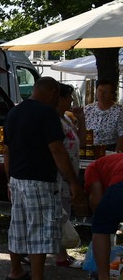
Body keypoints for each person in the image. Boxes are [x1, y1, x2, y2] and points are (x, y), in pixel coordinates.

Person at [4, 77, 85, 280]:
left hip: (17, 178)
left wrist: (9, 179)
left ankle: (16, 270)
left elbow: (7, 150)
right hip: (40, 178)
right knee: (40, 228)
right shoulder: (47, 113)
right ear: (51, 92)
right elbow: (57, 150)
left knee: (18, 225)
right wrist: (73, 182)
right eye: (57, 95)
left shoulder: (14, 112)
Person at [82, 151, 123, 280]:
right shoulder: (115, 160)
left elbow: (96, 200)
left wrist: (101, 217)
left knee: (101, 229)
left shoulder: (92, 168)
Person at [54, 83, 80, 267]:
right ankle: (60, 255)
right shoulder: (53, 120)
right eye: (69, 96)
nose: (72, 100)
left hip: (70, 172)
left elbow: (82, 140)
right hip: (59, 175)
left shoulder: (66, 119)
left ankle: (61, 253)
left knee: (65, 212)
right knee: (59, 214)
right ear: (60, 98)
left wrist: (82, 119)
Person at [81, 79, 123, 153]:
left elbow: (121, 134)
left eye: (106, 92)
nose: (102, 94)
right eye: (99, 91)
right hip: (90, 149)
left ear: (112, 94)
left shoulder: (119, 110)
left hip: (110, 148)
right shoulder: (88, 109)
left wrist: (117, 153)